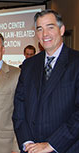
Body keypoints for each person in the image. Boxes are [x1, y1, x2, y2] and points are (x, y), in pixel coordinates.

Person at [13, 9, 79, 153]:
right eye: (40, 29)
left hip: (65, 148)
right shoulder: (29, 65)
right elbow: (19, 106)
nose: (45, 34)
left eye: (50, 27)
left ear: (61, 30)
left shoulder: (76, 62)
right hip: (31, 148)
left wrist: (52, 144)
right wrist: (27, 142)